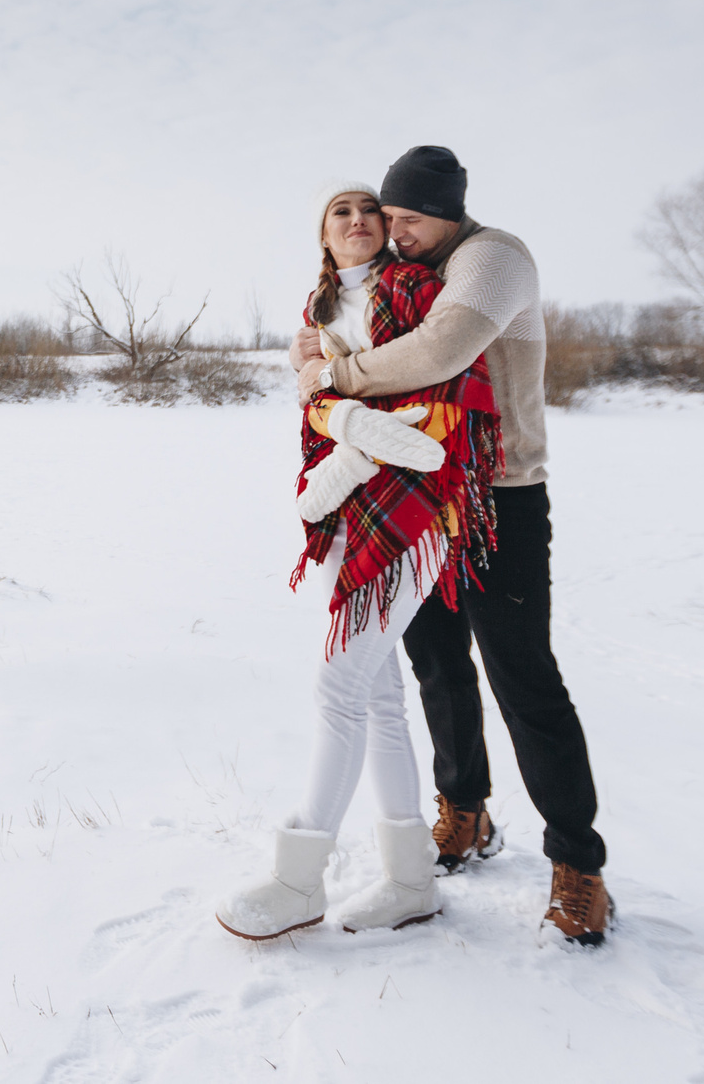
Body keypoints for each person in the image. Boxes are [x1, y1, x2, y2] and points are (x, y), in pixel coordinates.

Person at [293, 145, 614, 947]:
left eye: (408, 218)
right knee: (435, 663)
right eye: (386, 216)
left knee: (521, 673)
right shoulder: (410, 274)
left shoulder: (492, 258)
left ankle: (579, 865)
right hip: (424, 497)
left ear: (450, 211)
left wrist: (335, 374)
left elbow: (440, 352)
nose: (393, 232)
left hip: (500, 495)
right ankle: (463, 812)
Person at [216, 183, 503, 942]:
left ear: (386, 230)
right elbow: (318, 411)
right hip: (352, 508)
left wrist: (338, 406)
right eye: (339, 212)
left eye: (368, 211)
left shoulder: (417, 292)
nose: (355, 220)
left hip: (413, 506)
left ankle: (296, 879)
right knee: (376, 692)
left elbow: (443, 392)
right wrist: (329, 414)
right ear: (323, 233)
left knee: (339, 684)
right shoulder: (317, 315)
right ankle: (411, 882)